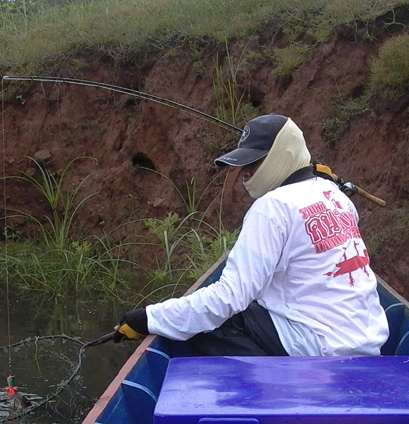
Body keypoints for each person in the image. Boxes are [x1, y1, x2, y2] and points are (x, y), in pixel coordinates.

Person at [115, 113, 389, 356]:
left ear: (282, 155)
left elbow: (228, 297)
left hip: (319, 349)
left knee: (212, 323)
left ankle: (275, 388)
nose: (245, 174)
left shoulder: (272, 207)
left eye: (254, 163)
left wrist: (148, 318)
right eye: (243, 166)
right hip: (368, 343)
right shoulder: (336, 196)